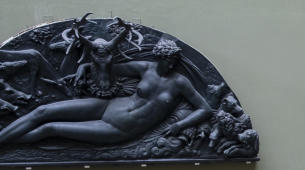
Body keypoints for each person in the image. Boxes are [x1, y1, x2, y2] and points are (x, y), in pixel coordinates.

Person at [0, 38, 213, 146]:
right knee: (42, 111)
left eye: (174, 59)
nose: (171, 63)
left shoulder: (180, 82)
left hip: (118, 128)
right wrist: (82, 67)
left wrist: (180, 125)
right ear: (159, 56)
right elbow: (104, 65)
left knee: (50, 128)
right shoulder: (144, 68)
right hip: (108, 106)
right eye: (167, 58)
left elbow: (205, 109)